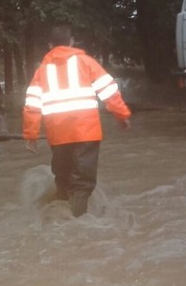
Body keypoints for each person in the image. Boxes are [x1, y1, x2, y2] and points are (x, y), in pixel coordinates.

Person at [22, 25, 132, 217]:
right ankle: (78, 225)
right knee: (83, 182)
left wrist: (31, 135)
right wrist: (122, 116)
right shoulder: (86, 62)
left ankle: (61, 221)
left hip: (58, 134)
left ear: (50, 45)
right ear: (71, 42)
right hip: (86, 132)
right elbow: (109, 92)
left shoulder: (41, 70)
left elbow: (31, 105)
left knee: (63, 178)